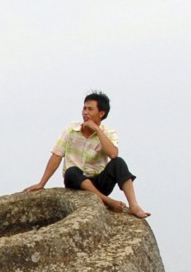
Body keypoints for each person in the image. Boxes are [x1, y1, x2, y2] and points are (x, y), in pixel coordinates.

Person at [22, 91, 150, 218]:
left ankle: (133, 205)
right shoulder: (71, 129)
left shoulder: (108, 133)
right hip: (76, 181)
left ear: (101, 113)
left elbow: (113, 154)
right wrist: (41, 183)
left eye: (90, 109)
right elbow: (56, 155)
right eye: (84, 108)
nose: (85, 112)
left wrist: (97, 130)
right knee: (71, 171)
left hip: (98, 183)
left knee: (119, 163)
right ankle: (107, 201)